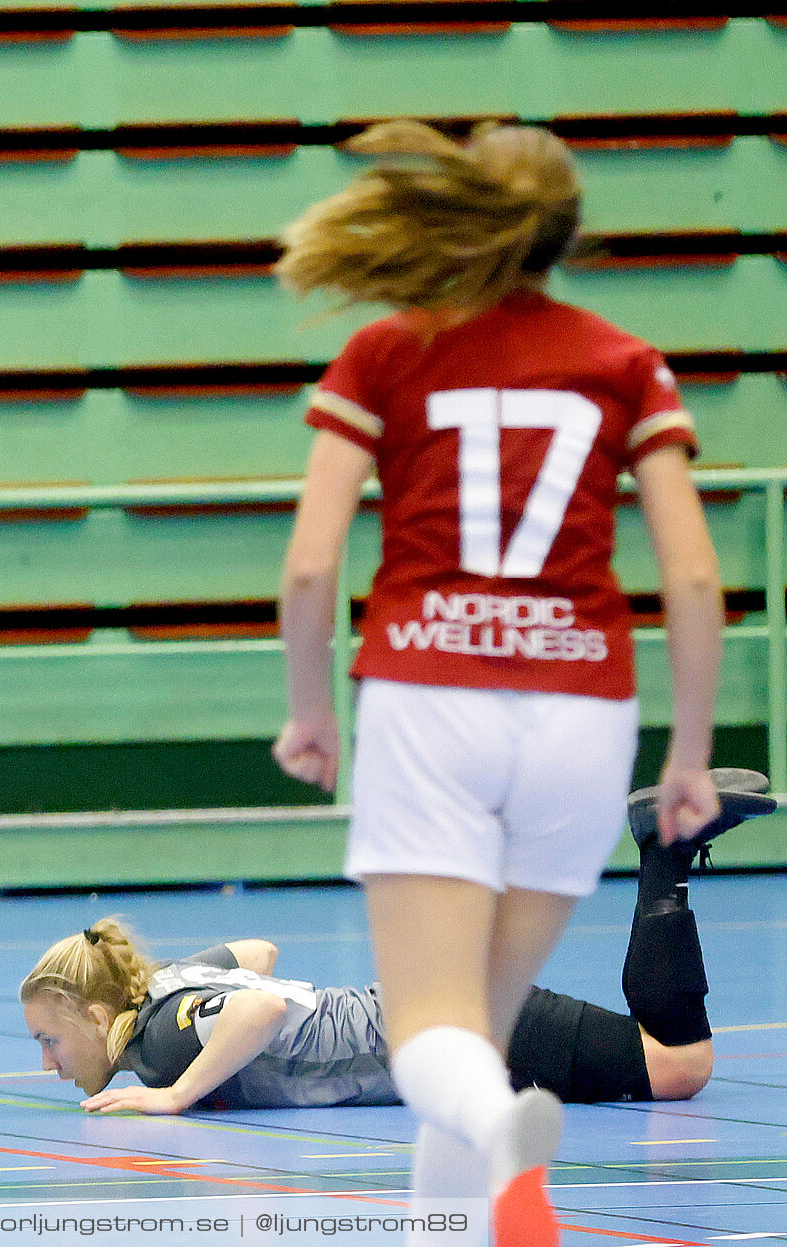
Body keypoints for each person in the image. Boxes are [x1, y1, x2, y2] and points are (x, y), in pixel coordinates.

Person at [266, 120, 725, 1245]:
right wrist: (691, 754)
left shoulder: (388, 351)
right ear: (569, 233)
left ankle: (512, 1127)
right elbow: (696, 573)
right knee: (480, 1020)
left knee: (431, 1036)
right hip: (584, 711)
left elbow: (314, 560)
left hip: (433, 698)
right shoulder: (626, 362)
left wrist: (311, 711)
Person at [21, 772, 774, 1121]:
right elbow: (259, 950)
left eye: (51, 1040)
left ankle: (664, 851)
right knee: (667, 1058)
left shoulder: (159, 1043)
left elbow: (253, 1010)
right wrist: (177, 981)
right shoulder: (163, 994)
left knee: (678, 1067)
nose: (48, 1063)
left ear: (94, 1014)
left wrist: (179, 1094)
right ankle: (663, 849)